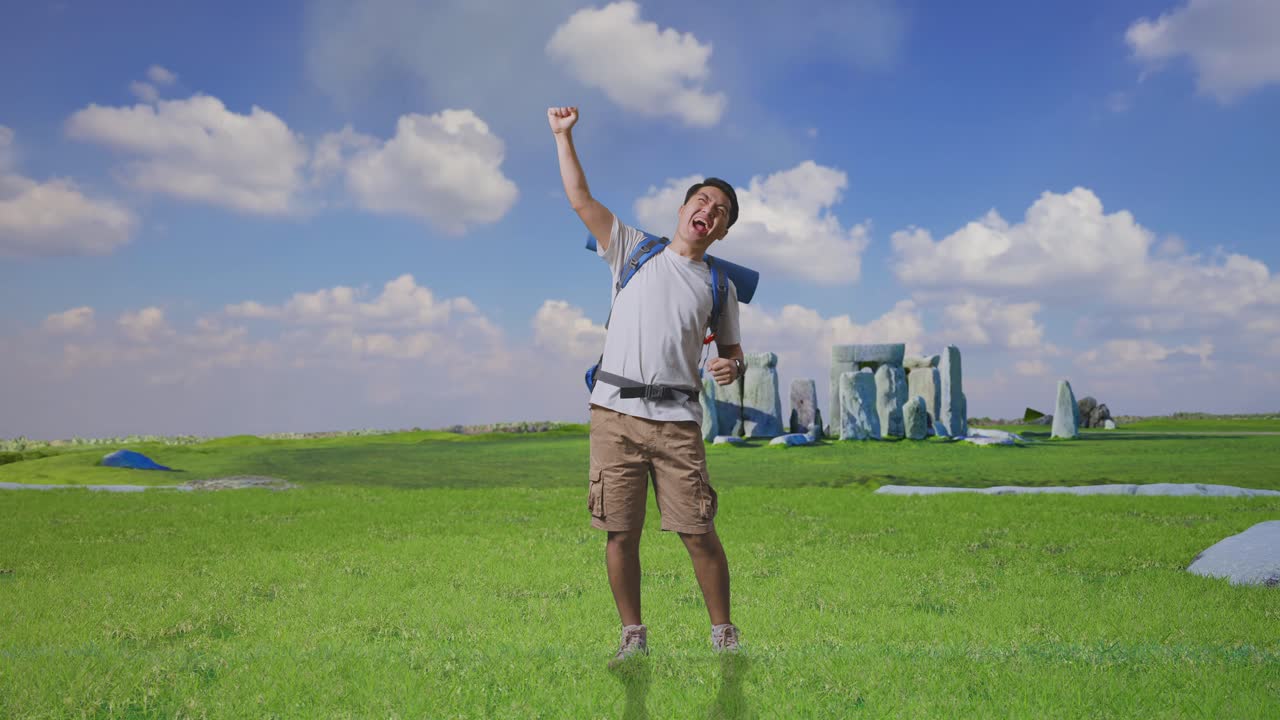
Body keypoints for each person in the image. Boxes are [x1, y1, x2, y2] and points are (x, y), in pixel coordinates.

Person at [548, 105, 746, 667]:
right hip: (613, 415)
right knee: (619, 533)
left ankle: (724, 636)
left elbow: (732, 356)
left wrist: (732, 370)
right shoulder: (632, 248)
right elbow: (580, 200)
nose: (707, 212)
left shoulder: (719, 283)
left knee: (698, 532)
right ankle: (633, 637)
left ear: (723, 230)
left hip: (678, 423)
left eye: (720, 212)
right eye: (701, 201)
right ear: (684, 208)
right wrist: (563, 137)